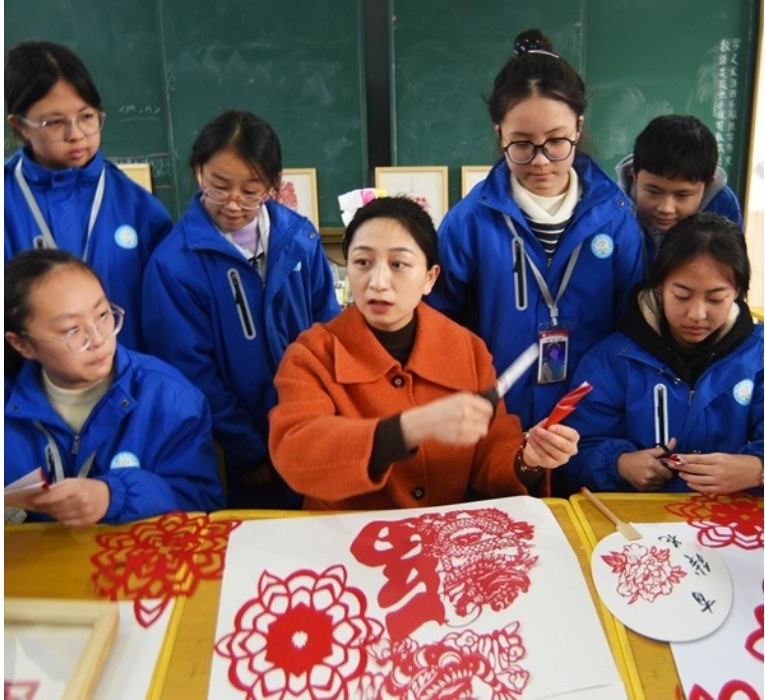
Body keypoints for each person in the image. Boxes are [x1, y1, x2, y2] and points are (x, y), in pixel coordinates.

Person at [269, 196, 579, 511]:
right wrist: (410, 428)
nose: (378, 282)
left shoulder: (467, 350)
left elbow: (490, 453)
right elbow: (297, 453)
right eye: (362, 262)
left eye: (398, 264)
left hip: (443, 536)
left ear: (430, 277)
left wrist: (528, 458)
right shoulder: (312, 354)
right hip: (346, 536)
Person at [428, 28, 643, 432]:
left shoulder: (615, 220)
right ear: (500, 134)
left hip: (590, 422)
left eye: (557, 141)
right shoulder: (470, 221)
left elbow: (631, 327)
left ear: (578, 128)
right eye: (522, 144)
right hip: (497, 422)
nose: (541, 161)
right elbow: (438, 324)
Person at [142, 109, 340, 509]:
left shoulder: (300, 238)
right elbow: (191, 372)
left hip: (313, 429)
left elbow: (330, 329)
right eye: (219, 187)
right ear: (198, 171)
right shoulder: (175, 265)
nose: (233, 204)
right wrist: (246, 448)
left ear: (273, 184)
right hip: (238, 452)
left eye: (251, 191)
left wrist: (328, 415)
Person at [4, 249, 225, 527]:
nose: (98, 339)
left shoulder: (171, 399)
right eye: (72, 330)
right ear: (22, 344)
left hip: (140, 553)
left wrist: (115, 497)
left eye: (102, 315)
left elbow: (202, 502)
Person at [561, 213, 763, 495]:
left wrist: (757, 469)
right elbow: (572, 453)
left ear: (738, 291)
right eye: (681, 296)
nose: (697, 314)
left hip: (730, 519)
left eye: (716, 298)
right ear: (659, 286)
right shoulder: (611, 360)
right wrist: (619, 465)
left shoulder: (758, 356)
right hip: (637, 519)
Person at [4, 41, 172, 351]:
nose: (77, 135)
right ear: (21, 126)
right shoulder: (7, 202)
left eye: (87, 116)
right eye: (55, 123)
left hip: (125, 376)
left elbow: (166, 320)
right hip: (27, 379)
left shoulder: (138, 207)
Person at [615, 114, 744, 267]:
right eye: (653, 192)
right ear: (635, 176)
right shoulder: (612, 209)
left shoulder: (723, 206)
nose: (666, 208)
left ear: (707, 186)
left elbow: (731, 272)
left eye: (682, 195)